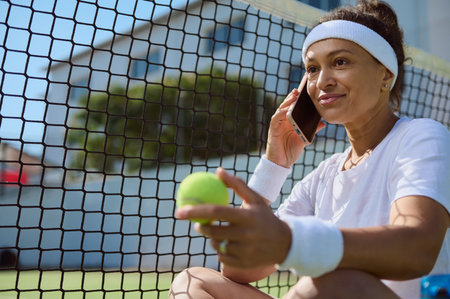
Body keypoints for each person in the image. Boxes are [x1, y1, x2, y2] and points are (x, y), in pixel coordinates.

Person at [169, 1, 450, 298]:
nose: (322, 81)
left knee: (335, 282)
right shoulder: (326, 173)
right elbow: (239, 271)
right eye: (312, 69)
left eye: (340, 62)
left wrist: (289, 241)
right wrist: (274, 164)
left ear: (385, 75)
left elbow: (417, 248)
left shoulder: (421, 136)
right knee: (193, 280)